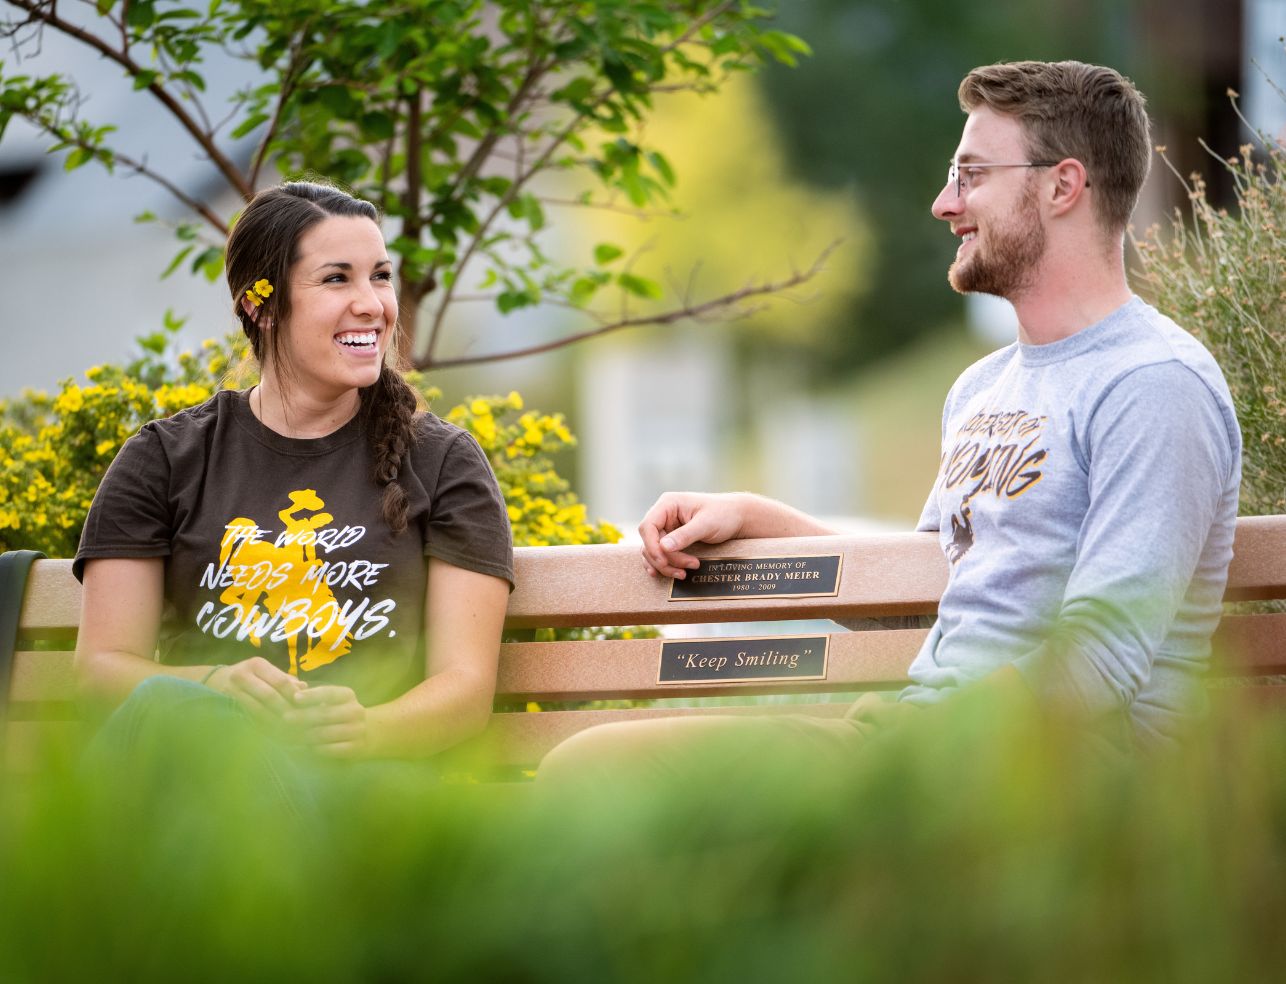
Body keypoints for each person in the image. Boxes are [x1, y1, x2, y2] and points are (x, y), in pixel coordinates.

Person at [539, 60, 1241, 782]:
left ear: (1062, 185)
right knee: (587, 767)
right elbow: (924, 603)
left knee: (595, 775)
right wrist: (756, 517)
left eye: (971, 175)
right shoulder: (983, 388)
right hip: (919, 750)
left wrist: (904, 745)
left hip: (1046, 789)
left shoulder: (1153, 386)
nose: (944, 203)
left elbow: (1099, 661)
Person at [74, 182, 513, 786]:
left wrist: (367, 729)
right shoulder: (165, 459)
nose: (373, 304)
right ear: (262, 304)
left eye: (380, 276)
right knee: (167, 715)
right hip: (200, 773)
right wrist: (210, 685)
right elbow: (100, 666)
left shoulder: (443, 462)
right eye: (337, 279)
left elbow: (464, 690)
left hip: (359, 788)